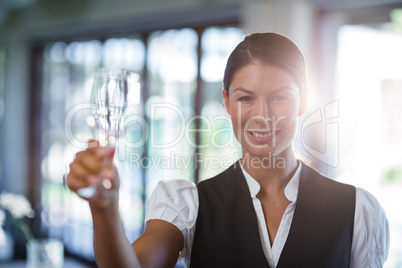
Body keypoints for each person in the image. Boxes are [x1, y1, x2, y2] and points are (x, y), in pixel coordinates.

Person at [66, 33, 389, 268]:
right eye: (246, 98)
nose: (262, 115)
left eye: (279, 97)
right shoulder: (188, 204)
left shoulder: (357, 210)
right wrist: (104, 208)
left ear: (303, 101)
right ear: (227, 103)